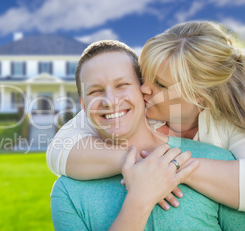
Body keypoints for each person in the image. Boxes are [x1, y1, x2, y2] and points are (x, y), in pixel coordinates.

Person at [47, 21, 245, 210]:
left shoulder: (230, 122)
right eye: (144, 75)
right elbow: (59, 149)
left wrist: (169, 167)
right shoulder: (137, 106)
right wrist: (136, 161)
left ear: (199, 97)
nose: (143, 88)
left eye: (160, 84)